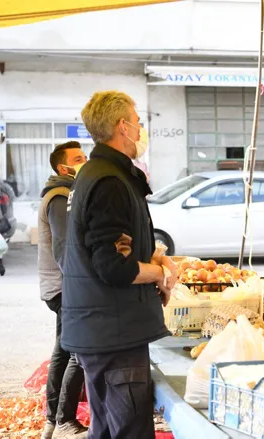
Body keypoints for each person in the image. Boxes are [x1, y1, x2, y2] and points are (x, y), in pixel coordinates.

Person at [61, 91, 177, 439]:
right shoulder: (108, 180)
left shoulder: (103, 173)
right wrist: (160, 274)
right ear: (122, 127)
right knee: (127, 430)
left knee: (109, 429)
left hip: (104, 328)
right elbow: (113, 266)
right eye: (138, 121)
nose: (142, 128)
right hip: (113, 331)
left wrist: (156, 256)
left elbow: (120, 242)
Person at [39, 142, 89, 439]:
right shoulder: (60, 197)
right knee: (78, 350)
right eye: (79, 159)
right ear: (63, 167)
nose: (85, 162)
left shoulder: (64, 192)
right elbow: (63, 248)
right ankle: (65, 422)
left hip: (58, 285)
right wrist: (80, 283)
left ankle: (52, 420)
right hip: (64, 286)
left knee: (63, 349)